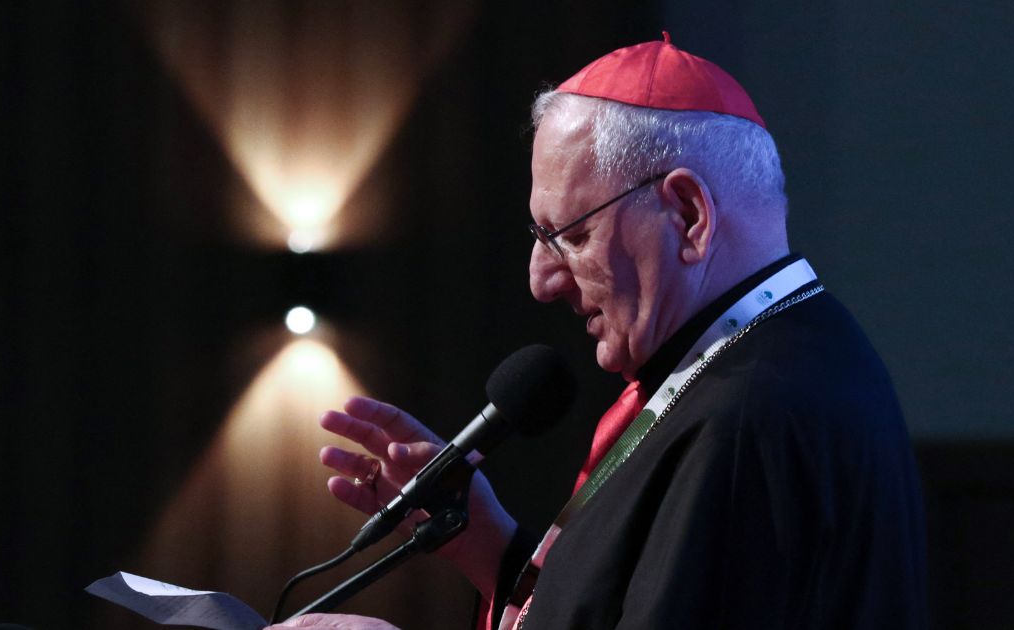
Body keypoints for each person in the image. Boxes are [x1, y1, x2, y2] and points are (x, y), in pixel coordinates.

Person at [269, 34, 927, 629]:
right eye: (540, 237)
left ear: (689, 214)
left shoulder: (753, 417)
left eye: (571, 236)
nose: (542, 281)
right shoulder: (751, 365)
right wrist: (488, 544)